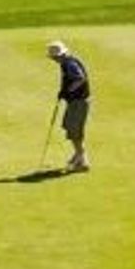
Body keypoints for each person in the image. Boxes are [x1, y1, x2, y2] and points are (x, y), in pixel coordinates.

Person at [47, 40, 91, 172]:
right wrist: (65, 92)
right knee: (70, 127)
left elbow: (80, 78)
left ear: (58, 56)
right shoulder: (67, 62)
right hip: (76, 101)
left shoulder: (69, 64)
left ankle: (82, 160)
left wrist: (68, 91)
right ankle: (78, 154)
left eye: (54, 57)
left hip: (78, 102)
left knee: (74, 130)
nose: (53, 60)